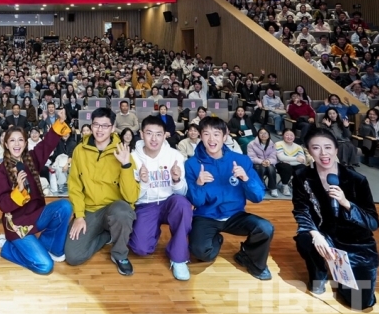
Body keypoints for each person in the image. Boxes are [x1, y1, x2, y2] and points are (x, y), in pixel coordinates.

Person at [292, 127, 379, 309]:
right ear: (309, 151)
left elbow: (373, 222)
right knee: (305, 238)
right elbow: (301, 210)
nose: (323, 153)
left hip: (357, 243)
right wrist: (316, 234)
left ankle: (341, 274)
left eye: (328, 147)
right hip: (325, 236)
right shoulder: (302, 177)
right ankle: (319, 273)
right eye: (316, 148)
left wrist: (346, 203)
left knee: (360, 302)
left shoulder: (357, 180)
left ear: (336, 150)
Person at [186, 116, 274, 280]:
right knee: (200, 252)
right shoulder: (192, 164)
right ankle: (216, 239)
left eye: (216, 134)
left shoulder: (241, 160)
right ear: (200, 136)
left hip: (235, 215)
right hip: (206, 216)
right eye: (206, 134)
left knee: (265, 228)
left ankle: (249, 257)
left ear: (225, 136)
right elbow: (196, 202)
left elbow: (257, 197)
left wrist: (246, 179)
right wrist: (199, 184)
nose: (211, 139)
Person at [0, 116, 73, 274]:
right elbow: (3, 204)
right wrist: (18, 190)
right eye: (12, 141)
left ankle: (52, 248)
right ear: (6, 144)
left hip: (36, 215)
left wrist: (59, 123)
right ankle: (8, 248)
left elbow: (47, 144)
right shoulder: (0, 172)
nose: (17, 144)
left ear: (25, 143)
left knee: (64, 206)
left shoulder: (31, 158)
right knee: (45, 266)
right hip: (17, 224)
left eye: (20, 140)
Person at [64, 107, 139, 276]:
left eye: (105, 126)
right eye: (96, 125)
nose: (99, 129)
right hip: (90, 210)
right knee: (73, 256)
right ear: (91, 126)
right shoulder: (79, 151)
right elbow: (75, 186)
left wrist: (126, 165)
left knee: (123, 212)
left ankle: (120, 255)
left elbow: (132, 196)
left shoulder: (122, 151)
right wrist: (79, 216)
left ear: (112, 128)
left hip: (114, 209)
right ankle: (107, 235)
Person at [128, 115, 192, 281]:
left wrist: (176, 180)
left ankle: (178, 257)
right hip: (145, 204)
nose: (154, 139)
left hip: (169, 202)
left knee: (183, 204)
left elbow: (182, 192)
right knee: (140, 249)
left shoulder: (175, 156)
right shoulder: (133, 158)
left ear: (165, 135)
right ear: (142, 134)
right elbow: (132, 196)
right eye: (149, 133)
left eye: (158, 134)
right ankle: (149, 231)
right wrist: (143, 183)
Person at [247, 129, 278, 197]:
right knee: (260, 168)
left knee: (271, 168)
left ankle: (273, 188)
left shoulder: (272, 144)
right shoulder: (251, 144)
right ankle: (260, 186)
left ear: (269, 135)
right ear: (258, 134)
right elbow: (251, 158)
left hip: (268, 163)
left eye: (265, 133)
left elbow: (274, 157)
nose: (263, 135)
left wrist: (268, 161)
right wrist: (261, 161)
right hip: (256, 164)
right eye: (261, 133)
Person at [274, 130, 305, 197]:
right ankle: (284, 186)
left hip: (293, 165)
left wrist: (289, 161)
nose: (289, 137)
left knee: (302, 167)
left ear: (294, 136)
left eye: (291, 135)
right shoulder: (278, 144)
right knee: (286, 167)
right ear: (283, 136)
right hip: (280, 165)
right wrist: (296, 159)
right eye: (287, 135)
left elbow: (302, 160)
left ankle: (297, 186)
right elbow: (281, 157)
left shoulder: (298, 147)